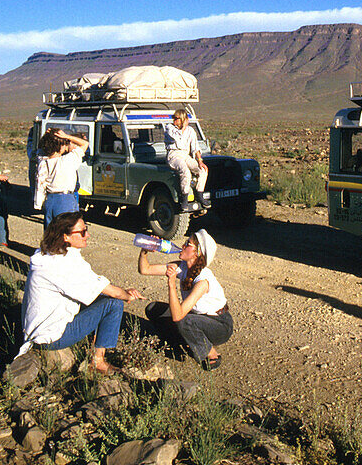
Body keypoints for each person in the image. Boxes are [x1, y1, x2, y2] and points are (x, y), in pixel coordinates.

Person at [16, 212, 144, 375]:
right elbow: (113, 293)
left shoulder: (48, 256)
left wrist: (119, 292)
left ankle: (95, 351)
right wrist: (127, 295)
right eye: (83, 232)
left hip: (37, 330)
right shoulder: (64, 265)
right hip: (51, 337)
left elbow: (94, 285)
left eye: (86, 229)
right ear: (66, 237)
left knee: (103, 297)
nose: (88, 235)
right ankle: (98, 362)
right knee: (113, 303)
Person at [138, 228, 233, 371]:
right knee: (153, 309)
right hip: (197, 317)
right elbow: (145, 269)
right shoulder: (182, 267)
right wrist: (145, 250)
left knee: (184, 320)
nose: (183, 245)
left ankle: (210, 352)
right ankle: (183, 340)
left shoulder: (203, 281)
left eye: (188, 244)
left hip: (219, 325)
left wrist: (171, 284)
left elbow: (177, 316)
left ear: (197, 253)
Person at [33, 128, 89, 226]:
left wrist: (48, 136)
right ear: (60, 146)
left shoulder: (43, 161)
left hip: (50, 199)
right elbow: (85, 144)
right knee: (67, 230)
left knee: (51, 232)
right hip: (65, 199)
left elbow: (40, 149)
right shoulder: (68, 160)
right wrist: (66, 136)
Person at [164, 108, 211, 215]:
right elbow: (176, 138)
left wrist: (200, 161)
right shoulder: (169, 128)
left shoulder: (191, 131)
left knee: (202, 170)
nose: (174, 120)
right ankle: (184, 199)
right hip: (174, 155)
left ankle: (200, 194)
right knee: (185, 171)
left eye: (177, 118)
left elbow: (195, 147)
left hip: (185, 154)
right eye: (174, 118)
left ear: (183, 119)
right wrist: (183, 128)